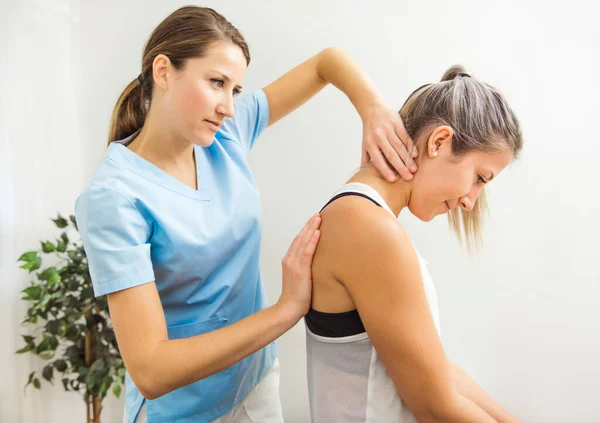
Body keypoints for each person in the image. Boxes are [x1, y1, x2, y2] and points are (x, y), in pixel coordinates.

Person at [74, 5, 417, 423]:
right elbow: (151, 370)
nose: (229, 107)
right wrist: (285, 310)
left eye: (235, 90)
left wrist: (374, 110)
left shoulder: (224, 137)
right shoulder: (115, 197)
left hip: (255, 384)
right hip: (184, 412)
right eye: (217, 82)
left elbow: (328, 62)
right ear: (163, 71)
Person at [306, 66, 524, 423]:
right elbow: (435, 405)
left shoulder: (362, 216)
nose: (470, 201)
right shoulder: (368, 228)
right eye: (479, 178)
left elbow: (434, 370)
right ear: (438, 142)